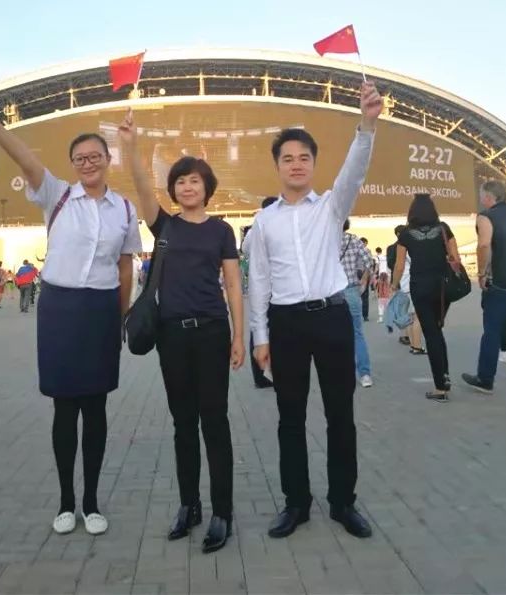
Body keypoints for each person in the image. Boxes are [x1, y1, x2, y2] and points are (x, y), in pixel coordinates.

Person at [0, 92, 142, 536]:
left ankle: (92, 502)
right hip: (60, 310)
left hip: (102, 310)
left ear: (107, 160)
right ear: (72, 165)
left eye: (95, 156)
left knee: (96, 408)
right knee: (65, 408)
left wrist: (121, 316)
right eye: (80, 158)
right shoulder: (57, 195)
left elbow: (125, 268)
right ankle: (66, 502)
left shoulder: (124, 209)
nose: (88, 163)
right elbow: (25, 159)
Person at [249, 81, 382, 540]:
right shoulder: (263, 222)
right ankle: (296, 503)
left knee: (339, 414)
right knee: (290, 418)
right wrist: (260, 338)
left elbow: (354, 173)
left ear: (313, 164)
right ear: (277, 165)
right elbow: (259, 282)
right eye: (288, 158)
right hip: (286, 324)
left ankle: (343, 502)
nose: (296, 164)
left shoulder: (330, 207)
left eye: (304, 157)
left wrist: (366, 124)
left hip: (331, 318)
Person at [120, 108, 245, 554]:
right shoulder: (165, 226)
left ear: (207, 188)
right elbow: (141, 186)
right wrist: (132, 147)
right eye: (180, 181)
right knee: (183, 424)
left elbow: (233, 284)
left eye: (195, 181)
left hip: (212, 333)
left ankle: (222, 511)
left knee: (215, 421)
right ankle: (189, 505)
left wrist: (239, 336)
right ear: (173, 189)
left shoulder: (222, 231)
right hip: (172, 337)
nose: (187, 187)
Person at [392, 193, 461, 402]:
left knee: (431, 333)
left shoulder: (406, 234)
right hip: (442, 287)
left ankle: (441, 386)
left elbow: (400, 265)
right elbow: (456, 258)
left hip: (419, 287)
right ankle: (444, 376)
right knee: (436, 330)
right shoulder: (443, 229)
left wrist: (394, 285)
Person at [462, 180, 506, 393]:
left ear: (488, 197)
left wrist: (481, 273)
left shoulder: (486, 217)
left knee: (492, 331)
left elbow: (484, 245)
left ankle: (485, 379)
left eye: (481, 194)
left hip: (500, 284)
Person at [242, 197, 277, 389]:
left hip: (263, 285)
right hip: (276, 287)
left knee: (259, 329)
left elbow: (245, 249)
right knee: (272, 329)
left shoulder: (255, 226)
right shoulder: (266, 222)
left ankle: (261, 377)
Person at [340, 220, 373, 387]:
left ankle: (341, 374)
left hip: (331, 294)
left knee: (333, 335)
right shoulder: (354, 240)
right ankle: (365, 374)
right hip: (352, 289)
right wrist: (364, 280)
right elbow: (369, 261)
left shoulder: (325, 240)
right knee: (357, 334)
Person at [359, 237, 371, 321]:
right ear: (365, 243)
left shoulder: (354, 249)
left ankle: (358, 314)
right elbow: (370, 263)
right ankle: (365, 315)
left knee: (357, 295)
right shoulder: (367, 250)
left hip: (356, 273)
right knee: (365, 296)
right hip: (365, 273)